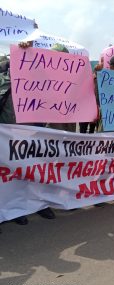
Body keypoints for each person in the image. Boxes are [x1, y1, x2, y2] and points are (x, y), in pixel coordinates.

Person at [0, 46, 55, 225]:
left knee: (31, 171)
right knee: (9, 175)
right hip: (8, 136)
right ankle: (10, 211)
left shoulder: (43, 81)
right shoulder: (6, 80)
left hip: (33, 135)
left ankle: (36, 205)